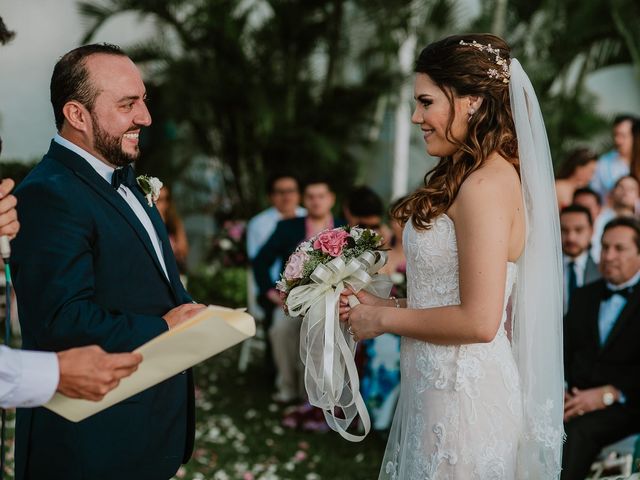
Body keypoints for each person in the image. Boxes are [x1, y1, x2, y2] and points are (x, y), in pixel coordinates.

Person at [340, 34, 564, 478]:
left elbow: (480, 322)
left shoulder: (485, 187)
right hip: (436, 389)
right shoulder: (472, 176)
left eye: (426, 102)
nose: (415, 117)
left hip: (465, 401)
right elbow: (453, 298)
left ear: (472, 102)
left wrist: (382, 322)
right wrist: (387, 304)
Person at [10, 44, 205, 480]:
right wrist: (166, 328)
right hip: (92, 443)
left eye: (144, 100)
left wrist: (196, 320)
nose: (145, 118)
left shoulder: (124, 178)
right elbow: (61, 320)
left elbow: (149, 284)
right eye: (127, 104)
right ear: (77, 115)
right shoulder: (48, 194)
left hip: (149, 430)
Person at [253, 180, 345, 404]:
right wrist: (273, 294)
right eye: (311, 196)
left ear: (331, 199)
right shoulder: (289, 226)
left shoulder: (345, 228)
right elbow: (260, 261)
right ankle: (287, 387)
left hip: (332, 302)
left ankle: (315, 395)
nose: (316, 201)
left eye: (321, 196)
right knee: (280, 330)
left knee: (323, 336)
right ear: (305, 201)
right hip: (293, 301)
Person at [562, 217, 640, 480]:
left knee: (578, 432)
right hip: (575, 398)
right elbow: (566, 351)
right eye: (604, 248)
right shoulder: (584, 295)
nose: (608, 256)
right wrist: (561, 390)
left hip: (628, 405)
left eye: (619, 249)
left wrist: (610, 394)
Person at [246, 174, 306, 378]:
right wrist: (273, 291)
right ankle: (277, 371)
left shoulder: (308, 218)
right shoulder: (259, 223)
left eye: (291, 191)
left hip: (301, 289)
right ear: (272, 196)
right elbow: (259, 261)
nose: (286, 196)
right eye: (281, 192)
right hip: (271, 287)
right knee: (278, 321)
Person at [560, 205, 601, 314]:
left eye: (579, 230)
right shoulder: (545, 270)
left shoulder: (602, 270)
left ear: (591, 231)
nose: (570, 237)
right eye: (564, 230)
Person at [591, 114, 637, 202]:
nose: (617, 140)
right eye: (615, 135)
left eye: (623, 136)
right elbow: (595, 194)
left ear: (636, 137)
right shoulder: (603, 163)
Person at [156, 185, 189, 273]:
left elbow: (183, 249)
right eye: (156, 199)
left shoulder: (174, 222)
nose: (158, 204)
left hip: (175, 269)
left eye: (162, 200)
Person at [573, 186, 605, 260]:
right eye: (578, 207)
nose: (583, 212)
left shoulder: (608, 234)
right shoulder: (563, 234)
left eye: (588, 208)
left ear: (599, 209)